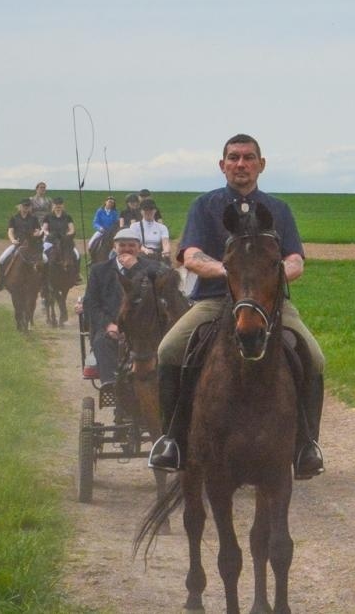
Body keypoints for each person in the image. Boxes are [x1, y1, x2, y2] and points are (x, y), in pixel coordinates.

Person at [148, 134, 325, 480]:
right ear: (222, 165)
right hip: (215, 300)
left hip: (270, 304)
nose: (240, 164)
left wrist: (269, 277)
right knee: (169, 349)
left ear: (261, 164)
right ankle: (172, 440)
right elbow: (190, 256)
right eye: (233, 158)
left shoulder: (279, 210)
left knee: (314, 357)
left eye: (247, 157)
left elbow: (295, 260)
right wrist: (231, 273)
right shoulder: (204, 206)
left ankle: (306, 445)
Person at [82, 227, 161, 382]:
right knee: (102, 342)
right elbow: (91, 303)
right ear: (114, 247)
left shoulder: (153, 268)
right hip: (111, 325)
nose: (127, 249)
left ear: (139, 248)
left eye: (131, 245)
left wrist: (135, 267)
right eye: (122, 245)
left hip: (145, 327)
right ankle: (111, 384)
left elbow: (160, 288)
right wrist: (108, 325)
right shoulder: (99, 270)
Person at [0, 197, 45, 290]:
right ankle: (0, 280)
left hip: (31, 244)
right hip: (18, 243)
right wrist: (12, 240)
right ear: (20, 207)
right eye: (24, 206)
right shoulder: (14, 218)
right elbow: (10, 231)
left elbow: (37, 230)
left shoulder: (33, 218)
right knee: (2, 259)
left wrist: (36, 234)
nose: (26, 208)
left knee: (45, 259)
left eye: (28, 206)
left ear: (30, 207)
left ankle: (45, 282)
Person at [44, 196, 80, 282]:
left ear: (63, 206)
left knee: (77, 254)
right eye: (56, 205)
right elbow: (44, 229)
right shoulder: (48, 216)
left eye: (60, 205)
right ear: (53, 205)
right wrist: (49, 234)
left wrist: (67, 235)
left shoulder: (67, 216)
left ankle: (76, 274)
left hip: (64, 240)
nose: (58, 207)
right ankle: (43, 275)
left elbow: (72, 229)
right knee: (43, 255)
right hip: (51, 240)